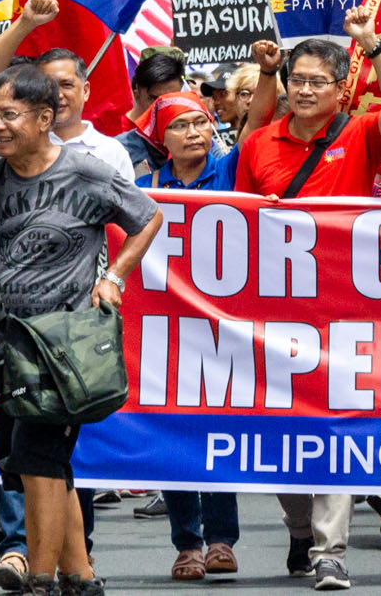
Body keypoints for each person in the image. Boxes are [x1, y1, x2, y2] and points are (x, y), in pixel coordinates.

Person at [0, 63, 163, 596]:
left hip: (65, 349)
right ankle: (82, 578)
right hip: (5, 348)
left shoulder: (86, 171)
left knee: (40, 460)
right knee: (35, 467)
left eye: (10, 115)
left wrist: (114, 277)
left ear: (45, 117)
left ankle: (43, 580)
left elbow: (146, 216)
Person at [238, 7, 381, 590]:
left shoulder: (359, 131)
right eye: (298, 80)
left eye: (318, 81)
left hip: (344, 306)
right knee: (277, 432)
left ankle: (330, 549)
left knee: (336, 424)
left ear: (343, 88)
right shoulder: (260, 142)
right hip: (275, 310)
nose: (306, 90)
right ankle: (297, 528)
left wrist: (374, 45)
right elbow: (238, 218)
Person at [131, 91, 243, 581]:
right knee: (176, 432)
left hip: (224, 321)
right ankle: (187, 543)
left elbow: (258, 116)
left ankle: (221, 540)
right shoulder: (143, 185)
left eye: (202, 122)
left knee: (216, 432)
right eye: (182, 126)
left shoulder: (231, 169)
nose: (195, 132)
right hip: (165, 322)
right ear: (162, 139)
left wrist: (264, 74)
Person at [0, 0, 135, 179]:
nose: (58, 94)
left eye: (67, 85)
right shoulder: (17, 138)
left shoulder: (112, 153)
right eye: (49, 85)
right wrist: (25, 23)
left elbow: (135, 208)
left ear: (85, 90)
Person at [117, 49, 191, 171]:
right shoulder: (119, 150)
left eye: (170, 99)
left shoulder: (200, 143)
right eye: (153, 99)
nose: (162, 108)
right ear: (137, 94)